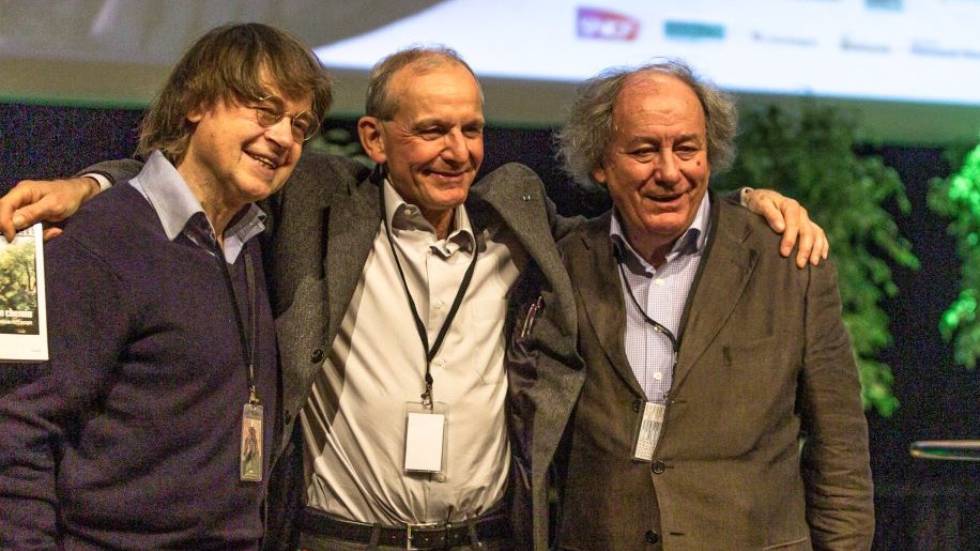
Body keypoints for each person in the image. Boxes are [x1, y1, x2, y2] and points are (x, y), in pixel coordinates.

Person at [0, 48, 829, 550]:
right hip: (335, 539)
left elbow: (646, 206)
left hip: (480, 540)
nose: (456, 150)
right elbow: (209, 170)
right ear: (375, 138)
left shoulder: (519, 227)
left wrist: (747, 204)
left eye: (470, 129)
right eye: (431, 130)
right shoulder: (318, 205)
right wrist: (92, 185)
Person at [508, 60, 874, 550]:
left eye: (687, 149)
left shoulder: (789, 263)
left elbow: (840, 450)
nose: (669, 172)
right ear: (600, 163)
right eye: (644, 151)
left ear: (710, 154)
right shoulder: (562, 264)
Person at [0, 23, 331, 549]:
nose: (284, 137)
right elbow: (19, 430)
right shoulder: (102, 239)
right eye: (264, 111)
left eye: (300, 124)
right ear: (197, 103)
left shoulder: (251, 240)